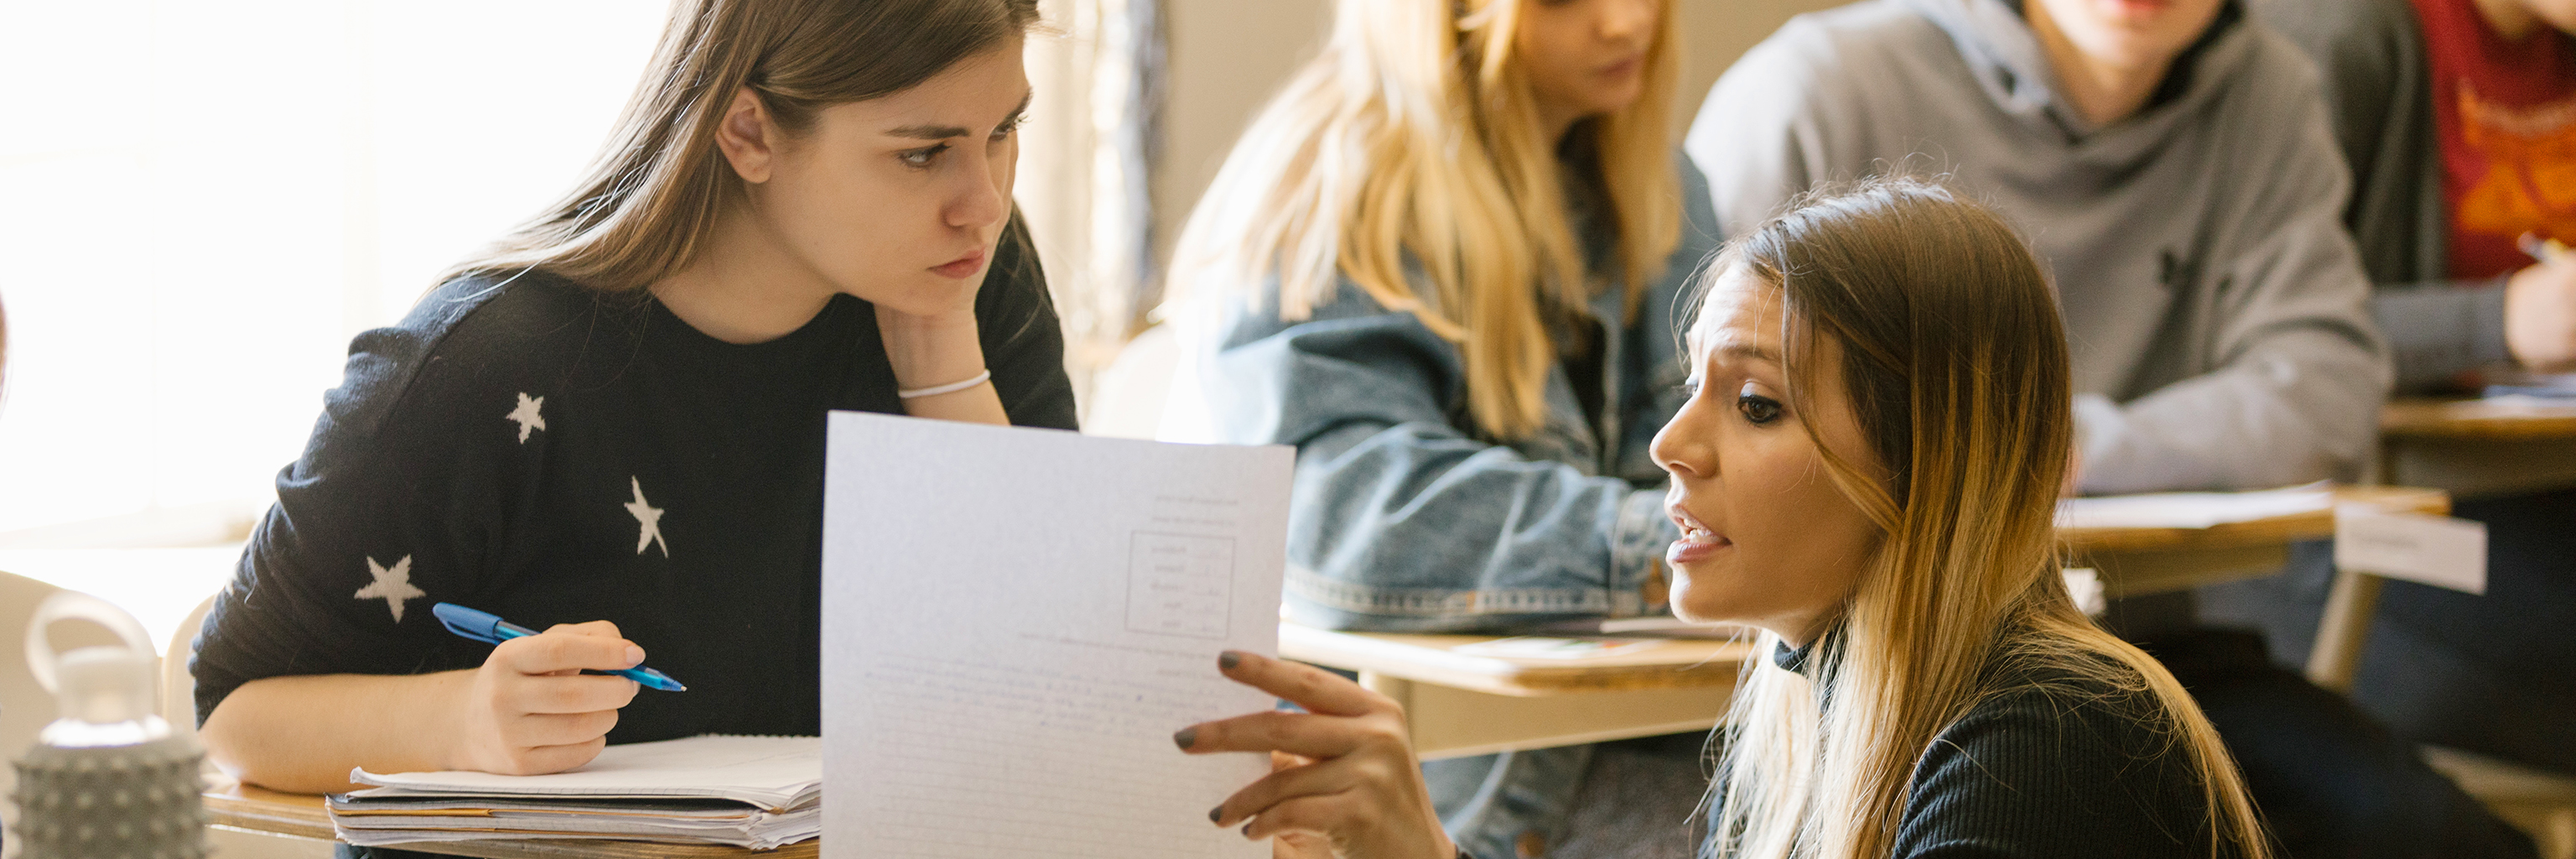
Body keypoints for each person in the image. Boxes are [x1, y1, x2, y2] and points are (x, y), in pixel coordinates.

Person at [189, 2, 1067, 856]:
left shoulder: (965, 276)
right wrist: (462, 720)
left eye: (1005, 131)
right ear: (749, 132)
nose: (982, 201)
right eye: (922, 154)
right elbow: (234, 706)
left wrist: (942, 354)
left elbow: (1054, 680)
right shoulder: (486, 364)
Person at [1176, 180, 2273, 859]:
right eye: (1690, 389)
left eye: (1756, 405)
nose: (1671, 448)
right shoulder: (1816, 707)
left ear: (1922, 463)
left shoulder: (2049, 740)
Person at [1687, 2, 2538, 856]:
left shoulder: (2269, 89)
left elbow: (2327, 388)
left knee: (2424, 826)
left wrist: (2054, 450)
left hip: (2137, 631)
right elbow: (1713, 380)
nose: (1675, 445)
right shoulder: (1814, 88)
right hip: (1841, 655)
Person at [1160, 0, 1721, 853]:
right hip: (1446, 790)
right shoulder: (1340, 183)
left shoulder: (1657, 182)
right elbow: (1350, 517)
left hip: (1643, 746)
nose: (1623, 22)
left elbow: (1717, 454)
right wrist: (1675, 537)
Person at [2206, 0, 2576, 778]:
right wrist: (2498, 321)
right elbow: (2231, 324)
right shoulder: (2341, 34)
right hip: (2373, 536)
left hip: (2539, 496)